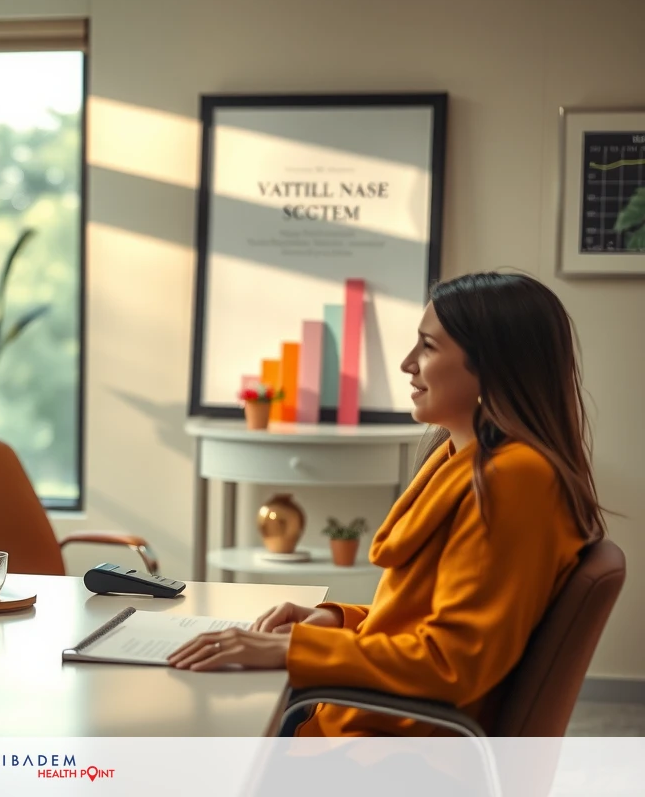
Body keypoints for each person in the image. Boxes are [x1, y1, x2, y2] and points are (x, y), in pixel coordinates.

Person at [169, 271, 605, 736]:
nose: (406, 364)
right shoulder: (464, 458)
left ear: (494, 366)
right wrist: (333, 621)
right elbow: (426, 620)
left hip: (391, 749)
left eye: (428, 348)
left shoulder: (511, 480)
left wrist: (289, 650)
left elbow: (451, 664)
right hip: (368, 726)